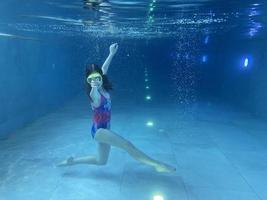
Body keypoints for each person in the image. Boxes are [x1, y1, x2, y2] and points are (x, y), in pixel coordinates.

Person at [57, 43, 176, 173]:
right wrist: (94, 87)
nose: (96, 79)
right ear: (88, 80)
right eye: (92, 78)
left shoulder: (101, 84)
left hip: (104, 129)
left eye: (98, 77)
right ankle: (157, 165)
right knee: (127, 145)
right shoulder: (94, 93)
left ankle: (72, 162)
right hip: (99, 131)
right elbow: (94, 95)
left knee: (101, 161)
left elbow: (104, 68)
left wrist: (111, 53)